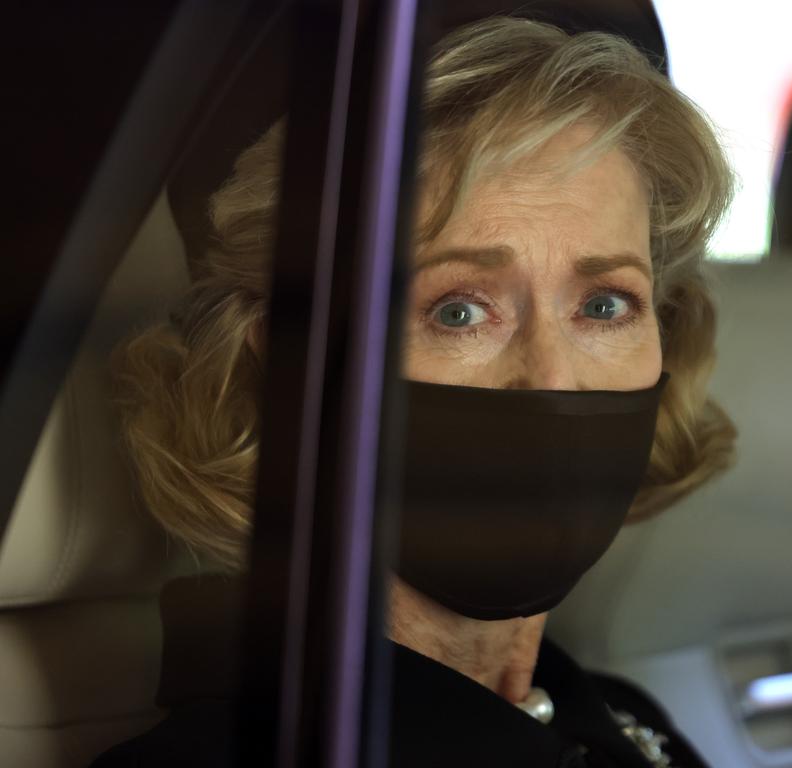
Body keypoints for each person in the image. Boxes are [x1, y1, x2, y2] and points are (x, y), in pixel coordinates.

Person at [92, 15, 735, 768]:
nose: (554, 378)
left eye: (603, 306)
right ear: (291, 366)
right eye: (458, 310)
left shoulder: (615, 719)